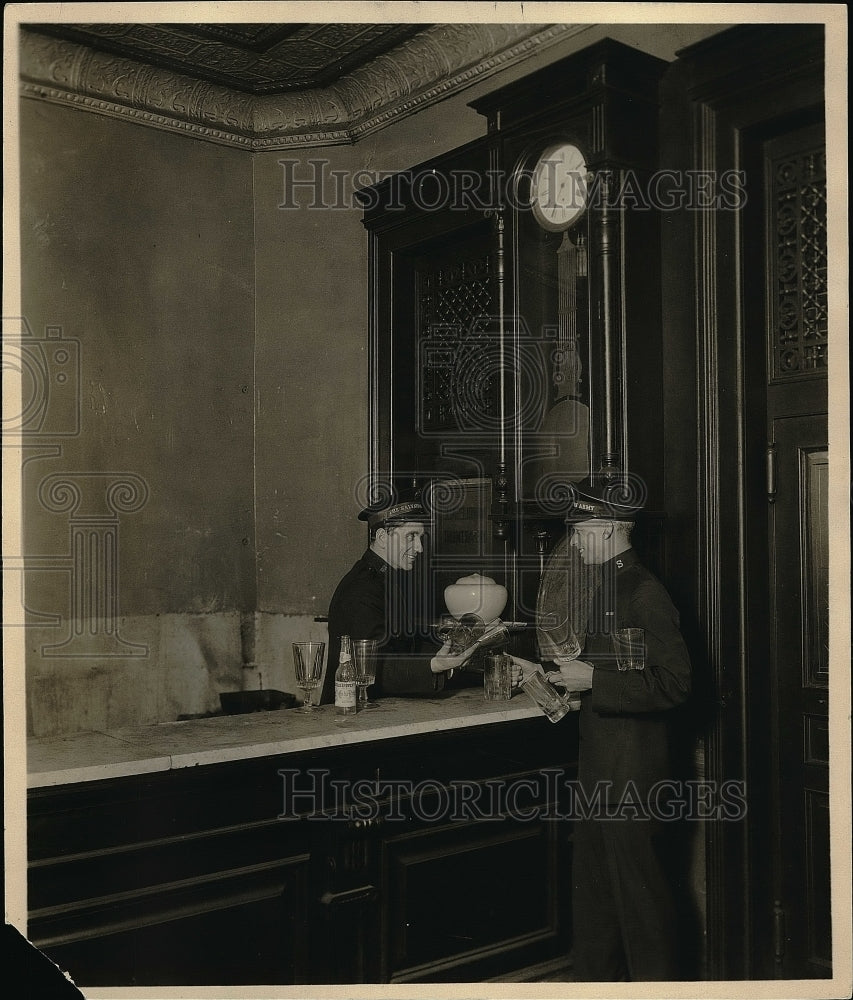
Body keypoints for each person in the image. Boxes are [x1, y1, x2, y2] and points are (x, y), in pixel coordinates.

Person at [511, 477, 692, 981]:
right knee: (596, 908)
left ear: (612, 530)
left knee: (642, 907)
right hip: (599, 771)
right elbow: (614, 672)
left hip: (633, 775)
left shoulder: (645, 592)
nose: (576, 542)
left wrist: (592, 679)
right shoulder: (604, 590)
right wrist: (557, 685)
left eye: (583, 532)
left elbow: (675, 684)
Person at [321, 493, 477, 705]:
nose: (420, 548)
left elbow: (403, 645)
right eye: (411, 537)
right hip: (351, 713)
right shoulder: (361, 590)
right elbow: (370, 667)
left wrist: (454, 645)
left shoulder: (385, 580)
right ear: (383, 538)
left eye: (420, 538)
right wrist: (433, 665)